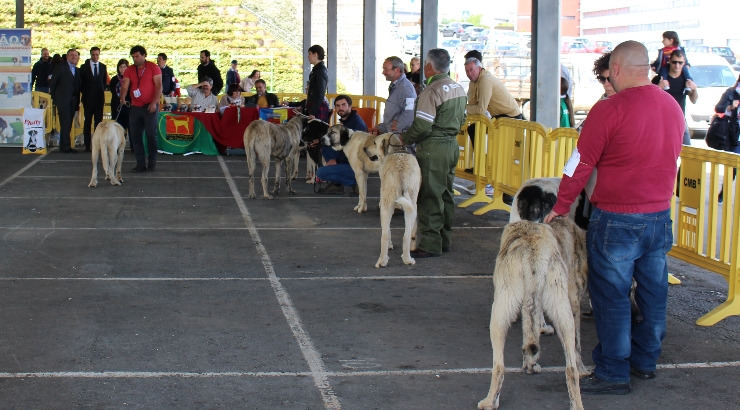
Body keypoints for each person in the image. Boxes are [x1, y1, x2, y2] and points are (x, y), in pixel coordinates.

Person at [544, 41, 684, 395]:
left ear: (617, 69)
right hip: (658, 217)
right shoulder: (671, 106)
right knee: (654, 292)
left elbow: (581, 163)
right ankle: (645, 361)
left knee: (612, 297)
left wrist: (561, 205)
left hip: (617, 220)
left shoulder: (609, 110)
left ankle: (612, 371)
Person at [398, 48, 466, 258]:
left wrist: (404, 139)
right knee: (445, 193)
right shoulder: (458, 88)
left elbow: (422, 126)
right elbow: (463, 119)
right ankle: (444, 239)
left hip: (433, 148)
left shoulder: (432, 90)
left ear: (428, 67)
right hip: (451, 146)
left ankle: (430, 243)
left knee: (429, 195)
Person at [120, 45, 162, 173]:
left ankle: (152, 160)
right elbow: (125, 86)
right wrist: (122, 96)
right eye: (133, 57)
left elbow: (159, 86)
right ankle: (140, 163)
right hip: (135, 107)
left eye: (137, 56)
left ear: (144, 55)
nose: (135, 59)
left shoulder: (153, 67)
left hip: (150, 106)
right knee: (135, 136)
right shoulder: (130, 70)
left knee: (150, 134)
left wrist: (154, 102)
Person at [316, 95, 367, 195]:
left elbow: (357, 152)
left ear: (350, 106)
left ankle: (357, 182)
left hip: (358, 164)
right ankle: (338, 185)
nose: (341, 108)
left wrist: (337, 160)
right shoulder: (347, 121)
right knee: (326, 146)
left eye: (344, 105)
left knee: (321, 173)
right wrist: (318, 141)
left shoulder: (357, 124)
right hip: (349, 160)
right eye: (338, 105)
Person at [369, 56, 416, 136]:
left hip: (399, 137)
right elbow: (393, 114)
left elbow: (410, 111)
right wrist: (381, 128)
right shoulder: (396, 85)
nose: (383, 72)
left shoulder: (405, 89)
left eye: (386, 69)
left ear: (397, 70)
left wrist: (400, 126)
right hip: (391, 134)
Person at [661, 49, 698, 145]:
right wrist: (658, 87)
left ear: (684, 63)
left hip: (680, 118)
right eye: (674, 62)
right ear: (669, 61)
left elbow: (694, 100)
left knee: (687, 149)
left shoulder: (686, 80)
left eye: (680, 63)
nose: (677, 65)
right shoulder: (661, 79)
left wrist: (694, 89)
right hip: (662, 119)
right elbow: (649, 100)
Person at [49, 48, 81, 153]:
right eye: (71, 55)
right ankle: (65, 146)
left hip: (73, 100)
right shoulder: (60, 67)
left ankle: (65, 145)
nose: (73, 57)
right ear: (67, 56)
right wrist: (54, 98)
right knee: (65, 123)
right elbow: (53, 83)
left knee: (68, 123)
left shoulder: (77, 70)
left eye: (75, 55)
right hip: (63, 100)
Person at [714, 75, 740, 203]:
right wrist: (729, 107)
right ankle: (723, 193)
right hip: (734, 135)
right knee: (733, 166)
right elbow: (718, 108)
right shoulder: (731, 93)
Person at [80, 47, 107, 152]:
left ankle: (98, 143)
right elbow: (81, 82)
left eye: (97, 55)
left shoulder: (103, 67)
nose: (95, 57)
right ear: (90, 55)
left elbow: (103, 82)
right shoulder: (84, 67)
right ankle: (87, 144)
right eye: (93, 55)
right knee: (87, 122)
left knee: (98, 122)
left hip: (99, 99)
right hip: (88, 99)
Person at [109, 59, 131, 148]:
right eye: (121, 67)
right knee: (119, 127)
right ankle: (118, 146)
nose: (123, 69)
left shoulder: (130, 79)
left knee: (131, 126)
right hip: (117, 106)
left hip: (128, 106)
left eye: (125, 67)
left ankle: (133, 146)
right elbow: (113, 91)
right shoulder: (114, 79)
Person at [305, 45, 329, 122]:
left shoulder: (320, 71)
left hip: (317, 107)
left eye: (310, 54)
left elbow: (320, 93)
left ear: (316, 54)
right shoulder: (316, 70)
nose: (308, 56)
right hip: (315, 105)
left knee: (317, 132)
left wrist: (313, 112)